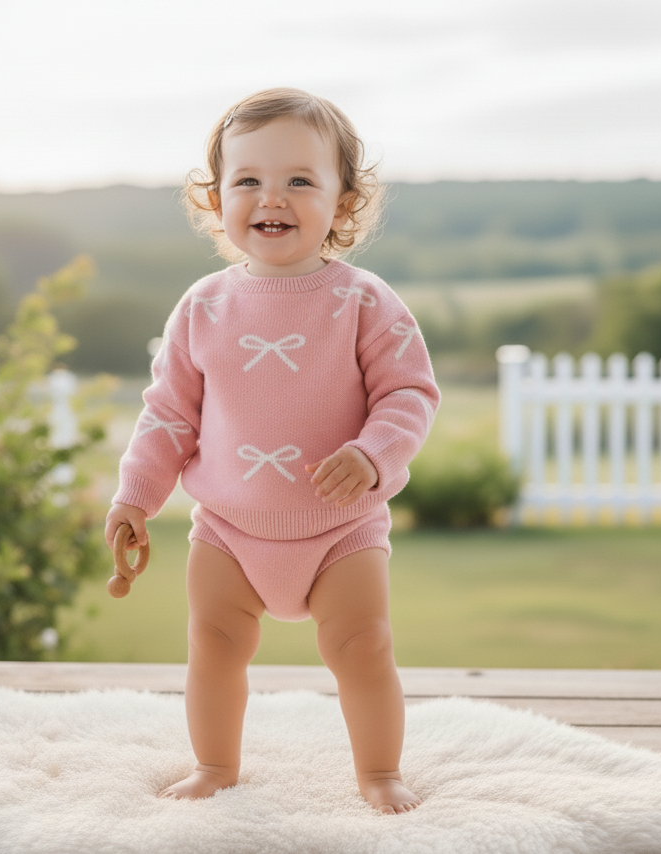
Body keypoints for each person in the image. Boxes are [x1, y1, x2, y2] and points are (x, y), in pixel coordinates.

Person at [105, 88, 440, 815]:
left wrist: (375, 453)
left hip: (340, 528)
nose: (272, 197)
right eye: (248, 180)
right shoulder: (204, 306)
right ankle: (215, 764)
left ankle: (379, 773)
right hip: (226, 528)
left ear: (343, 201)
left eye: (299, 180)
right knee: (214, 648)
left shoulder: (363, 300)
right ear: (215, 198)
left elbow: (410, 394)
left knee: (363, 649)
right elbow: (168, 414)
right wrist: (135, 496)